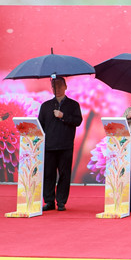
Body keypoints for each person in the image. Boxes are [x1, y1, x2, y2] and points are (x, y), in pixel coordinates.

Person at [38, 77, 83, 211]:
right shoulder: (46, 106)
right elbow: (40, 125)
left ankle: (61, 201)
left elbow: (78, 121)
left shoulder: (73, 105)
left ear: (65, 87)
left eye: (59, 85)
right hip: (49, 146)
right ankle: (49, 201)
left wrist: (63, 116)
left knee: (64, 174)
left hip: (65, 146)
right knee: (48, 174)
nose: (57, 89)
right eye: (54, 86)